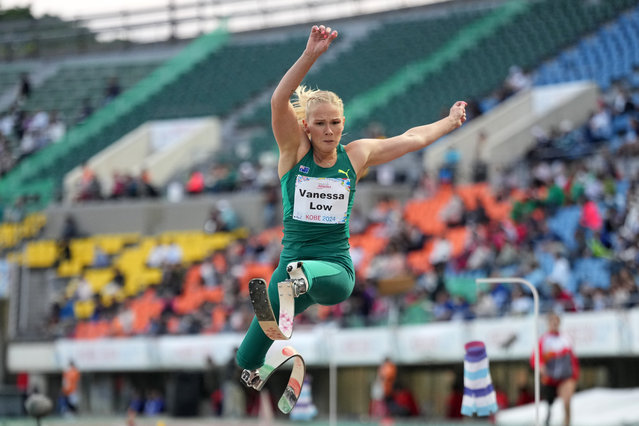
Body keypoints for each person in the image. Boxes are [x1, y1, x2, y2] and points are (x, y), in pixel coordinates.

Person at [236, 24, 467, 386]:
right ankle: (254, 369)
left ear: (344, 124)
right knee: (246, 354)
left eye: (335, 123)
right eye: (320, 124)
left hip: (332, 267)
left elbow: (412, 138)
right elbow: (278, 102)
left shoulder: (357, 155)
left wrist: (449, 122)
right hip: (291, 263)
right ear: (307, 127)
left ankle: (300, 280)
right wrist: (310, 55)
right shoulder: (294, 153)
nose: (329, 131)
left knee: (340, 285)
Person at [532, 312, 579, 426]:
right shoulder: (544, 340)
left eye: (556, 322)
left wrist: (575, 374)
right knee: (549, 404)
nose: (554, 324)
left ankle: (567, 424)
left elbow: (572, 358)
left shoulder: (566, 338)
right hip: (550, 377)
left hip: (565, 376)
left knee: (567, 402)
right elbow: (535, 358)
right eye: (552, 322)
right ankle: (547, 420)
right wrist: (541, 367)